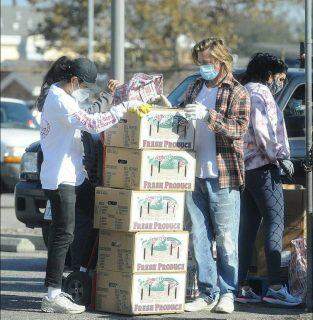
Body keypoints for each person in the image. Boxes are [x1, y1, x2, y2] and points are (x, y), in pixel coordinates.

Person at [37, 56, 149, 314]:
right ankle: (52, 294)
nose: (84, 89)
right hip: (60, 178)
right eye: (84, 85)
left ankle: (84, 272)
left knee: (103, 214)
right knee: (63, 233)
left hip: (75, 176)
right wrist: (124, 108)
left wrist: (112, 97)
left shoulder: (66, 96)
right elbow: (92, 123)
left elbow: (90, 110)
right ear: (74, 80)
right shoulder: (58, 100)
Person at [179, 37, 250, 314]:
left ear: (221, 62)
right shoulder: (195, 87)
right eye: (200, 63)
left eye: (207, 63)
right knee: (199, 236)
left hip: (223, 175)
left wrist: (209, 116)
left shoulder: (236, 91)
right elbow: (179, 116)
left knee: (226, 239)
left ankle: (228, 292)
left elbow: (239, 129)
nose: (203, 68)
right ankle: (207, 292)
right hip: (193, 173)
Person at [237, 53, 301, 306]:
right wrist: (279, 157)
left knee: (248, 229)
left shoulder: (243, 90)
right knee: (275, 223)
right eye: (280, 78)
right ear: (269, 74)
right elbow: (264, 131)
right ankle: (275, 286)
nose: (281, 83)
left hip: (246, 169)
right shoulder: (260, 94)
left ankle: (240, 285)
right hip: (264, 167)